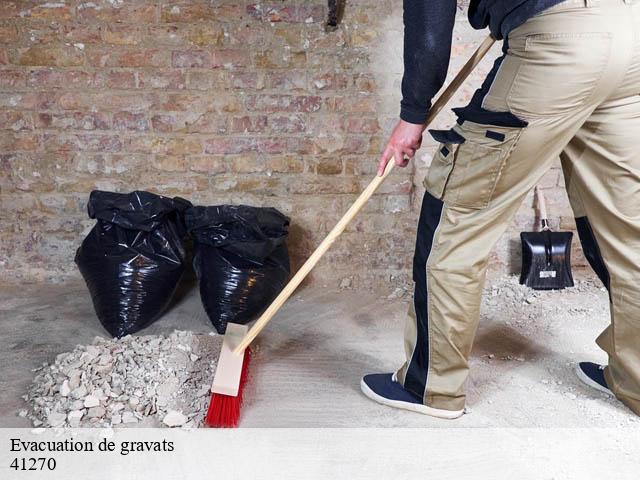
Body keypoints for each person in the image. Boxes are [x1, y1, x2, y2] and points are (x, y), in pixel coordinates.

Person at [361, 0, 640, 419]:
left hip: (561, 44)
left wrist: (412, 113)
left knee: (456, 209)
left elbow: (430, 26)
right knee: (627, 227)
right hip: (631, 31)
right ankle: (635, 379)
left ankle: (429, 386)